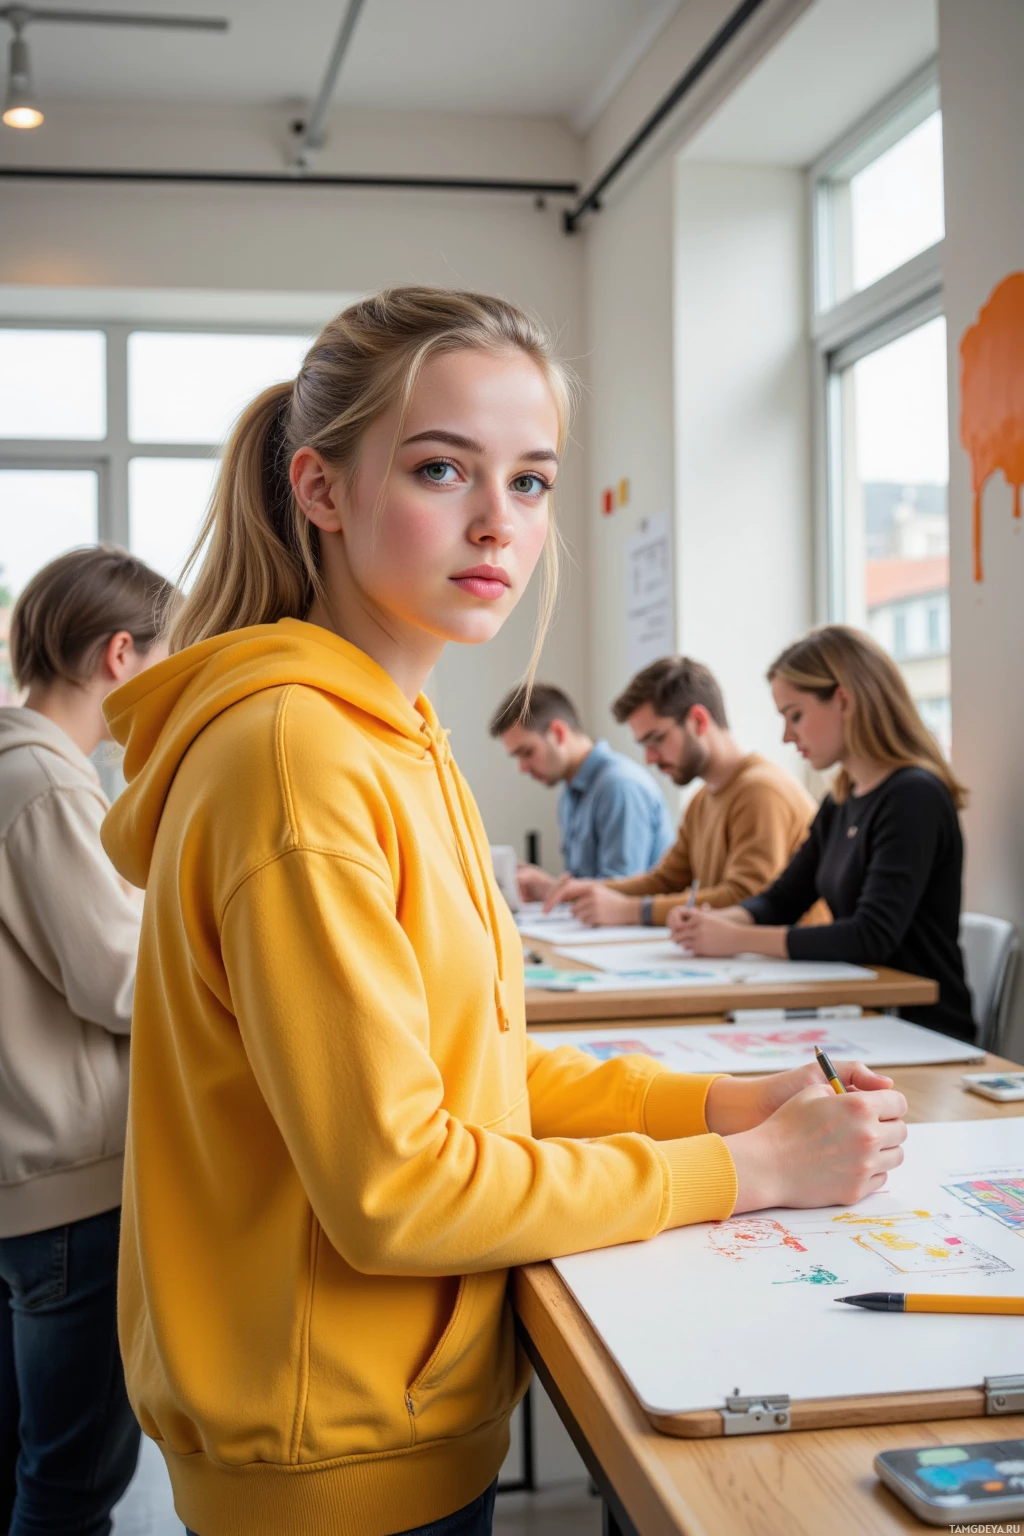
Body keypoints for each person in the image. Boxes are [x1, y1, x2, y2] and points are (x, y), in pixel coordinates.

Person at [99, 288, 907, 1536]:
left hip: (387, 1416)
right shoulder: (297, 759)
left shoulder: (396, 739)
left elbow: (467, 1068)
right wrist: (743, 1171)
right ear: (320, 489)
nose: (497, 522)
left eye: (530, 481)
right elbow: (397, 1188)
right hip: (337, 1458)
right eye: (441, 469)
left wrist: (714, 1105)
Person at [0, 545, 174, 1536]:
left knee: (29, 1470)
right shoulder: (46, 784)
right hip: (71, 1188)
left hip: (25, 1177)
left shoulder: (21, 770)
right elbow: (117, 981)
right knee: (69, 1489)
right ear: (119, 654)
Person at [670, 625, 974, 1042]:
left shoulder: (913, 796)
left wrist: (737, 938)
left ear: (844, 701)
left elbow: (871, 936)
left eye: (795, 715)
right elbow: (782, 899)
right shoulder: (841, 801)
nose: (786, 735)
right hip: (859, 1016)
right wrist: (717, 922)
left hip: (921, 1028)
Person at [546, 656, 822, 927]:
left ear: (698, 721)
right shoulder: (703, 799)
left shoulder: (761, 791)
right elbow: (665, 881)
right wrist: (590, 890)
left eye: (657, 739)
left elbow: (746, 898)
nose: (649, 758)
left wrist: (630, 910)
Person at [489, 681, 673, 900]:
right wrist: (547, 887)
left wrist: (551, 888)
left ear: (558, 733)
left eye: (527, 752)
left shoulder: (619, 786)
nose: (523, 768)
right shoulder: (570, 794)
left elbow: (620, 895)